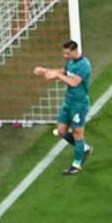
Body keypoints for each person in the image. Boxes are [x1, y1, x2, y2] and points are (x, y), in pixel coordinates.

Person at [33, 40, 94, 175]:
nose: (65, 56)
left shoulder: (84, 65)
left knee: (78, 133)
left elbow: (73, 82)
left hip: (79, 104)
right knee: (61, 132)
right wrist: (45, 70)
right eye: (64, 53)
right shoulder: (71, 62)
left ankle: (77, 164)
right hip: (68, 102)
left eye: (67, 53)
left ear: (74, 51)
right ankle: (84, 148)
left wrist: (57, 75)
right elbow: (64, 72)